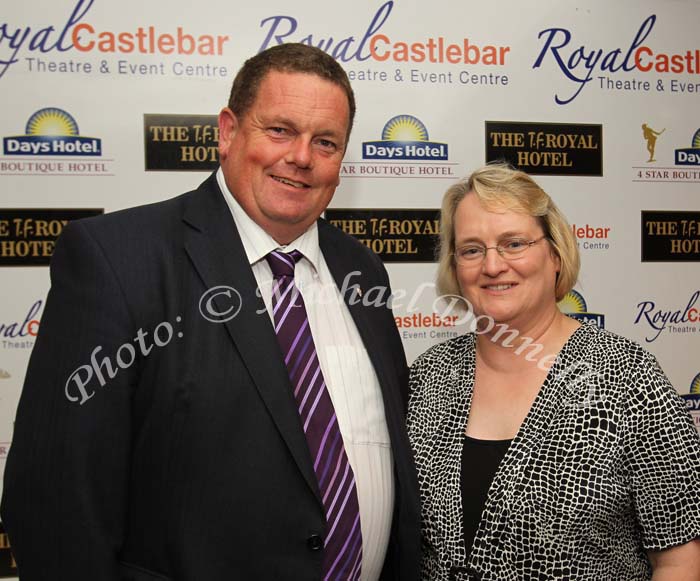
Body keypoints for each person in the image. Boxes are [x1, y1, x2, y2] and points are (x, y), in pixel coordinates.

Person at [1, 43, 420, 581]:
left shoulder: (363, 271)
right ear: (227, 131)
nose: (301, 157)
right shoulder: (117, 260)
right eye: (280, 130)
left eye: (326, 142)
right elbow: (56, 503)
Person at [407, 162, 700, 580]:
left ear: (556, 255)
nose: (492, 266)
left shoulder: (627, 377)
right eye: (472, 249)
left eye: (513, 244)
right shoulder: (429, 378)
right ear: (455, 268)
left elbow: (681, 559)